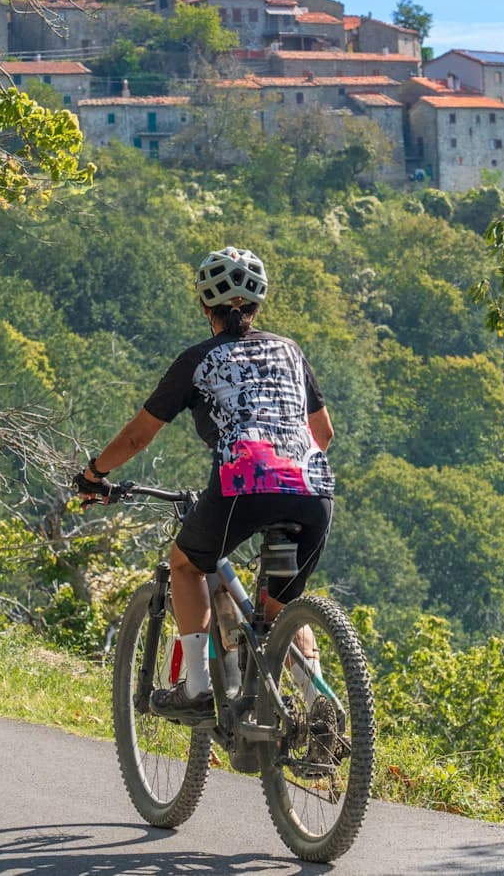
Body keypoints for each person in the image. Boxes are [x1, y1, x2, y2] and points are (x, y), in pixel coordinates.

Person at [75, 246, 335, 721]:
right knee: (280, 609)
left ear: (203, 305)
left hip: (245, 485)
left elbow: (136, 437)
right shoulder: (290, 351)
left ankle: (196, 688)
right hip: (314, 492)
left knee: (188, 565)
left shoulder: (197, 360)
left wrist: (95, 475)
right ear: (258, 305)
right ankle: (319, 709)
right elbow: (323, 435)